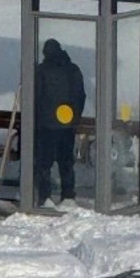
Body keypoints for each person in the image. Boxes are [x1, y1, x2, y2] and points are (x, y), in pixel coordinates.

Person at [35, 38, 86, 207]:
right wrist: (75, 117)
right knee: (66, 161)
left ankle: (45, 197)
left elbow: (36, 97)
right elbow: (80, 96)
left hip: (46, 125)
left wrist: (38, 118)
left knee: (44, 162)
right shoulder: (73, 70)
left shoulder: (41, 71)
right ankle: (68, 195)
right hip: (67, 124)